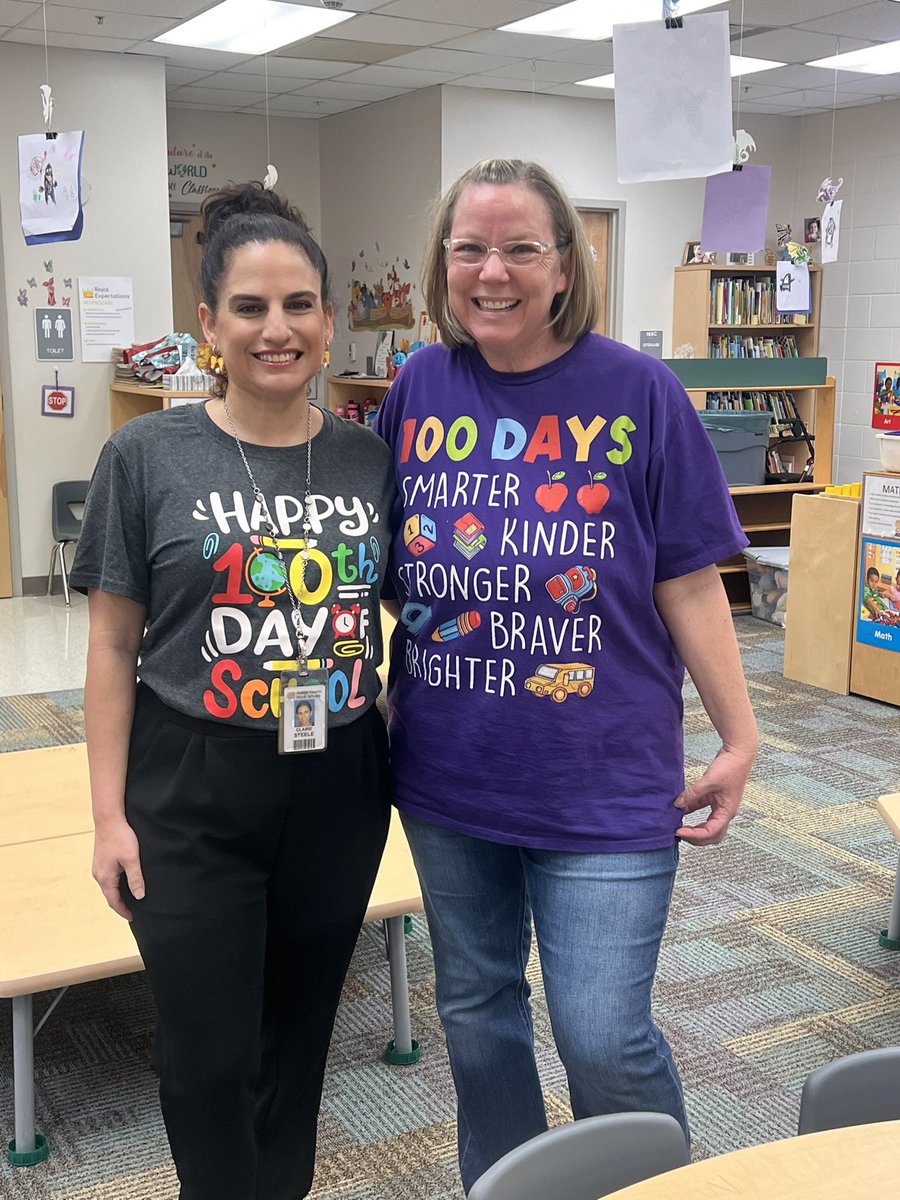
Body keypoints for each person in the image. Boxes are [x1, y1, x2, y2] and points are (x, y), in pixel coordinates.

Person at [374, 159, 759, 1193]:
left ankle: (646, 1186)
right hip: (451, 774)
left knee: (601, 1031)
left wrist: (739, 736)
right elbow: (377, 558)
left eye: (518, 248)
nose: (490, 271)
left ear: (563, 265)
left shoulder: (639, 391)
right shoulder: (418, 386)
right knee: (477, 1013)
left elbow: (688, 580)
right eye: (469, 248)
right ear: (442, 263)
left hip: (604, 776)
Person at [70, 181, 395, 1200]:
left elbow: (413, 612)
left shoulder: (366, 459)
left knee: (299, 1041)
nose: (277, 329)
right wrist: (108, 817)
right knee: (207, 1056)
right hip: (191, 785)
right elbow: (112, 646)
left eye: (299, 304)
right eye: (249, 308)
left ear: (329, 320)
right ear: (207, 323)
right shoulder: (145, 456)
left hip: (338, 783)